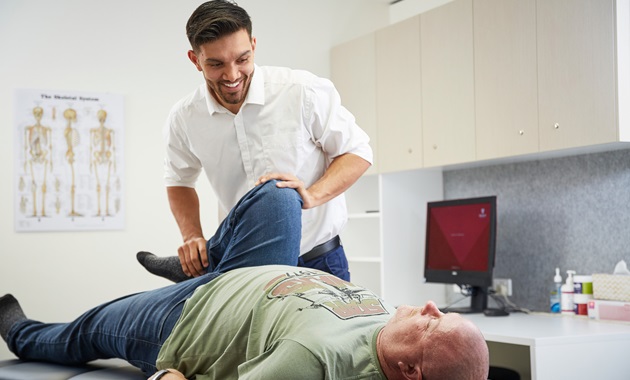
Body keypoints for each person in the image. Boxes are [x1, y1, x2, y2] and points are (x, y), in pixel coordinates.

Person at [0, 182, 489, 380]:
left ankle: (22, 334)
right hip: (247, 273)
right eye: (440, 311)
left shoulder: (316, 362)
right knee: (280, 194)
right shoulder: (390, 324)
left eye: (432, 326)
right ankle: (208, 257)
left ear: (409, 372)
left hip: (186, 318)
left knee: (84, 331)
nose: (429, 307)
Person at [149, 0, 372, 282]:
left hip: (319, 261)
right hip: (247, 267)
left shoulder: (302, 91)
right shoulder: (184, 117)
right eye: (216, 64)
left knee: (278, 196)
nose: (232, 75)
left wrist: (313, 195)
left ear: (253, 46)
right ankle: (213, 261)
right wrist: (191, 235)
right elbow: (179, 180)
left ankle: (213, 264)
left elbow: (357, 151)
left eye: (242, 59)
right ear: (195, 60)